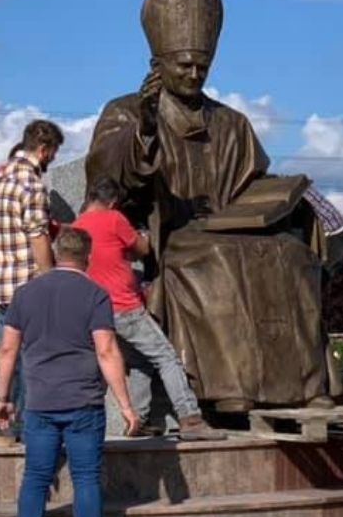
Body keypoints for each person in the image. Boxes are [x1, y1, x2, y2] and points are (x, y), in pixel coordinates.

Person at [86, 0, 330, 412]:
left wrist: (283, 199)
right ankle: (228, 388)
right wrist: (146, 127)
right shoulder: (126, 110)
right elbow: (109, 178)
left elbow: (252, 182)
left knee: (290, 254)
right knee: (217, 258)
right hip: (173, 236)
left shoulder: (231, 122)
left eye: (203, 66)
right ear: (157, 64)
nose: (195, 74)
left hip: (237, 229)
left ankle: (306, 386)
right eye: (183, 65)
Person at [0, 227, 140, 517]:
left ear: (56, 254)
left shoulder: (25, 295)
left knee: (36, 479)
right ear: (87, 257)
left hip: (40, 403)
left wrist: (3, 398)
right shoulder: (94, 294)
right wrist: (126, 405)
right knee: (86, 479)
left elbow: (8, 349)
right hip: (83, 402)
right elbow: (105, 350)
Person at [73, 177, 227, 441]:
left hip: (94, 312)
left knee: (140, 361)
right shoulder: (114, 219)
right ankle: (190, 418)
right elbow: (142, 249)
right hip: (125, 307)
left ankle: (140, 420)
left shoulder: (76, 227)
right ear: (112, 202)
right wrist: (143, 234)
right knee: (166, 357)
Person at [0, 120, 64, 428]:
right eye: (53, 153)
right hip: (27, 286)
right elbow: (39, 236)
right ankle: (34, 434)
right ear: (43, 149)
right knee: (35, 363)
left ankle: (12, 426)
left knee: (9, 359)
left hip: (0, 287)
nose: (52, 159)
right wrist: (51, 280)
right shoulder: (30, 185)